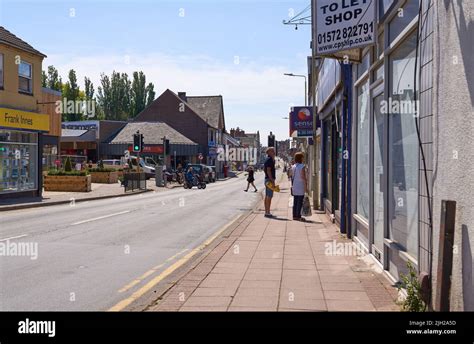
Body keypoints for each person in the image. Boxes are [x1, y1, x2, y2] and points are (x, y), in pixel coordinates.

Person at [291, 152, 309, 221]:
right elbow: (303, 177)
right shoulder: (302, 166)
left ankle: (294, 215)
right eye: (302, 157)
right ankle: (298, 216)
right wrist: (306, 187)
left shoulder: (293, 166)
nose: (303, 159)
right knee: (300, 201)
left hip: (295, 185)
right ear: (300, 158)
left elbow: (291, 176)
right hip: (300, 185)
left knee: (295, 201)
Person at [264, 147, 276, 218]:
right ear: (269, 152)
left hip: (267, 179)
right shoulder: (270, 160)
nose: (274, 152)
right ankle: (267, 212)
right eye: (272, 151)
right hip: (269, 180)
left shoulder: (268, 159)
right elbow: (268, 170)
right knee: (269, 196)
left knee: (267, 196)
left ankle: (267, 211)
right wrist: (272, 180)